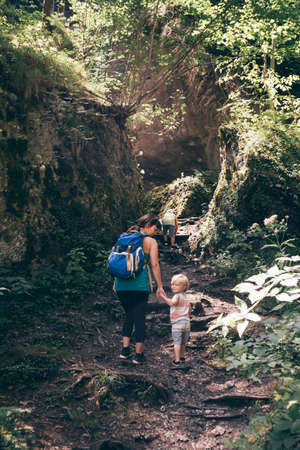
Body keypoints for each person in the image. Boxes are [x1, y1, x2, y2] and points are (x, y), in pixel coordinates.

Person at [114, 213, 166, 365]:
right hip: (139, 285)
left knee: (129, 314)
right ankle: (138, 355)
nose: (155, 233)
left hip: (120, 284)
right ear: (149, 225)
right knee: (139, 318)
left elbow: (118, 259)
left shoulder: (124, 237)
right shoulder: (150, 242)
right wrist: (160, 286)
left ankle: (124, 351)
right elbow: (155, 265)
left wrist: (115, 283)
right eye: (155, 230)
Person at [160, 273, 191, 365]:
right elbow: (189, 310)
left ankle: (177, 360)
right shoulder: (186, 297)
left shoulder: (177, 296)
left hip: (177, 323)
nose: (173, 286)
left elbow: (172, 303)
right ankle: (182, 357)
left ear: (184, 286)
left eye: (176, 285)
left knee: (177, 342)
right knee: (183, 342)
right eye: (172, 284)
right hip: (187, 322)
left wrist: (163, 297)